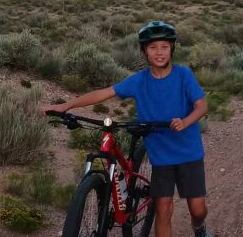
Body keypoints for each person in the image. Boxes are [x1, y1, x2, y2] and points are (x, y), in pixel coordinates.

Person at [42, 21, 211, 237]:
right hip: (161, 157)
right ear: (144, 51)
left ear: (172, 49)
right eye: (152, 47)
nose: (159, 52)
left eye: (164, 47)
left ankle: (199, 227)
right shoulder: (139, 81)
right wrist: (65, 105)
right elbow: (104, 93)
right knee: (163, 211)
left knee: (197, 210)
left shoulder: (183, 75)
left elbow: (202, 105)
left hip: (188, 153)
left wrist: (185, 122)